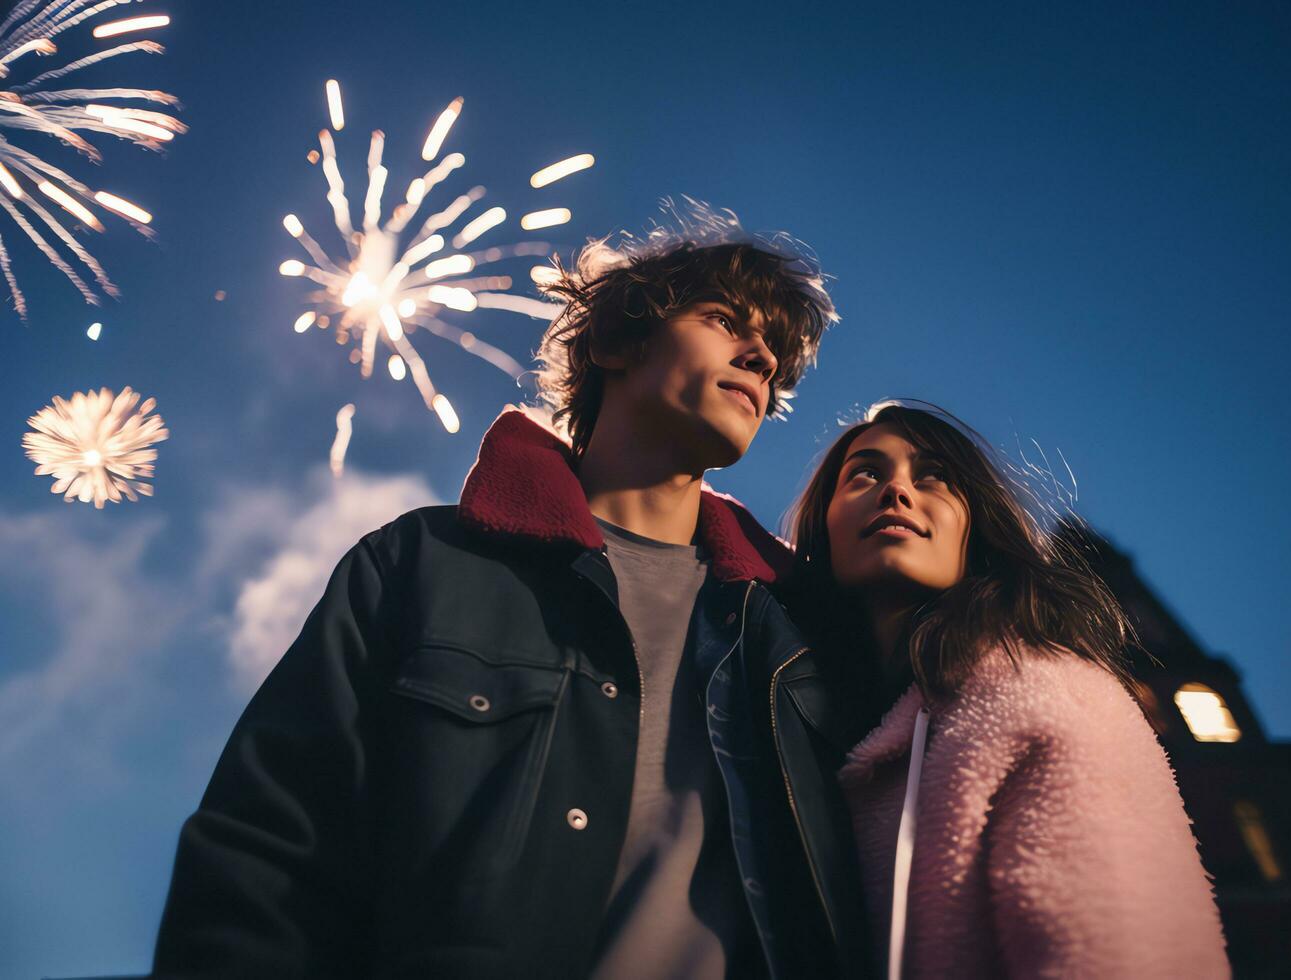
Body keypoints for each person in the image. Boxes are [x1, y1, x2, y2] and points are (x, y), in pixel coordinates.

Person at [153, 205, 869, 979]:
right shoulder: (423, 563)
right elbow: (266, 854)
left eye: (774, 351)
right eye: (724, 319)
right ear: (616, 343)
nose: (760, 355)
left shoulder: (793, 630)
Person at [783, 402, 1229, 979]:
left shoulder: (1051, 699)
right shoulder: (803, 724)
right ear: (823, 527)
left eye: (934, 477)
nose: (896, 490)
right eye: (865, 474)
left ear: (977, 527)